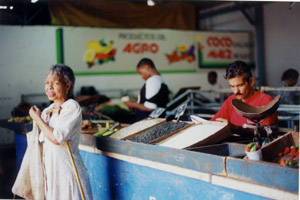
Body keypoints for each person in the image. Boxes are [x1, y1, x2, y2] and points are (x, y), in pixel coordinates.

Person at [28, 64, 92, 199]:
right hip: (52, 173)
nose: (49, 87)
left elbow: (57, 138)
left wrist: (37, 119)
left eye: (55, 83)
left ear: (67, 86)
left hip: (68, 172)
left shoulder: (72, 107)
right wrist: (40, 118)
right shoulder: (47, 111)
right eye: (47, 83)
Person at [210, 60, 278, 135]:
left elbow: (265, 132)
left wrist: (234, 128)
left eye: (240, 85)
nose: (236, 91)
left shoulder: (265, 100)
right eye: (232, 86)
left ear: (251, 81)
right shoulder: (231, 100)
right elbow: (213, 122)